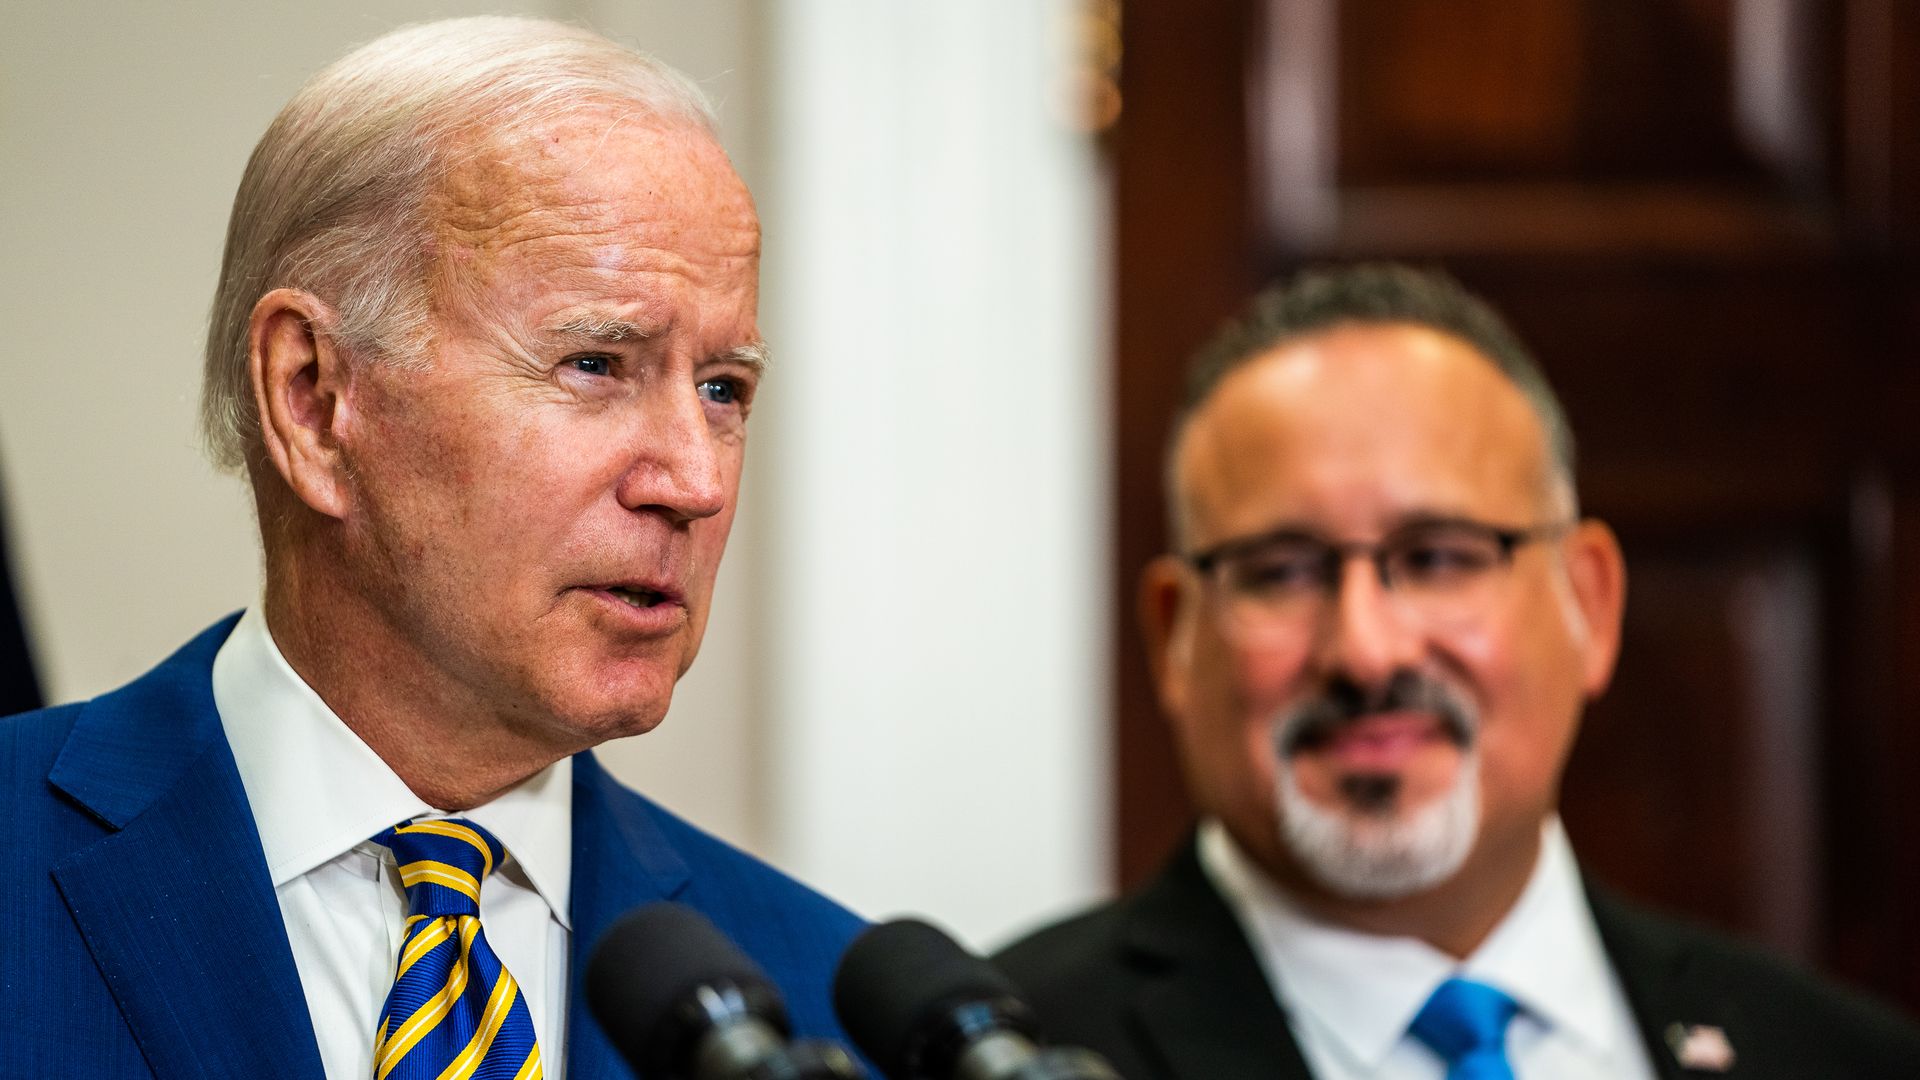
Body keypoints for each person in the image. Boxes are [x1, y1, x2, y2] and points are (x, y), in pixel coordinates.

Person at [2, 17, 860, 1079]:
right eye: (596, 364)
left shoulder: (820, 1004)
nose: (696, 480)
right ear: (313, 400)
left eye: (724, 389)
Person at [996, 265, 1920, 1078]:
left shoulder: (1839, 1056)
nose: (1364, 650)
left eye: (1439, 557)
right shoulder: (1003, 1054)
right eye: (1280, 571)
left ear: (1588, 605)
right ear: (1174, 639)